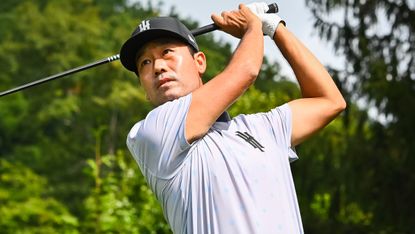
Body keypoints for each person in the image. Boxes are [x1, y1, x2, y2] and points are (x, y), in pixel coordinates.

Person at [120, 2, 346, 233]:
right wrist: (253, 29)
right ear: (144, 88)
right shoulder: (150, 133)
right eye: (144, 63)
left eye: (166, 52)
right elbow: (245, 71)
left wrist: (276, 28)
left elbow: (329, 101)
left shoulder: (261, 128)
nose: (157, 66)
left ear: (199, 62)